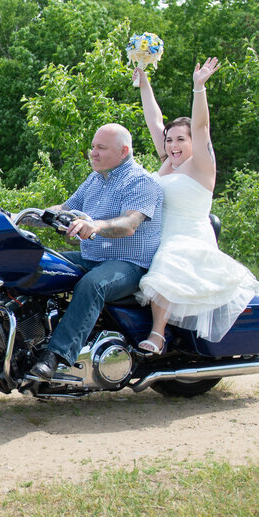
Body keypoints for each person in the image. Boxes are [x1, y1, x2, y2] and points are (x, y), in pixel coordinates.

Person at [132, 58, 259, 353]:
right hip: (159, 234)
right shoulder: (169, 163)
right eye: (169, 141)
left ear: (194, 141)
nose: (172, 145)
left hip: (188, 238)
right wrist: (145, 83)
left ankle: (157, 336)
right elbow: (155, 122)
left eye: (180, 139)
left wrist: (199, 88)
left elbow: (202, 124)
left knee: (168, 262)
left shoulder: (202, 166)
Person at [29, 123, 163, 380]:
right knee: (35, 263)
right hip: (92, 256)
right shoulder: (95, 179)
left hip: (129, 263)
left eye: (101, 148)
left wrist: (96, 226)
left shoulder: (141, 182)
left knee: (93, 285)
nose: (93, 152)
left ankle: (56, 356)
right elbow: (64, 209)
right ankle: (29, 342)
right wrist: (20, 216)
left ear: (124, 151)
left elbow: (129, 224)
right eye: (93, 147)